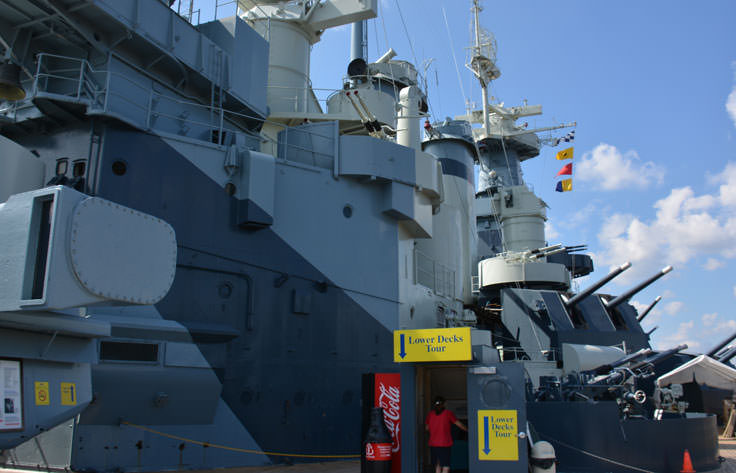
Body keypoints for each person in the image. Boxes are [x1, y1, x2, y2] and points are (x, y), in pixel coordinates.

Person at [425, 396, 467, 473]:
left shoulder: (430, 415)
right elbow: (459, 425)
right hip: (444, 444)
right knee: (445, 465)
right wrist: (469, 430)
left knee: (437, 464)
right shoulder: (448, 414)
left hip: (433, 444)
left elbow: (427, 428)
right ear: (444, 404)